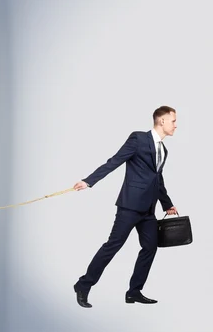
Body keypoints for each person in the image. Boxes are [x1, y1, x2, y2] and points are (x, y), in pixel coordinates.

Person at [72, 105, 179, 308]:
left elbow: (158, 179)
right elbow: (115, 160)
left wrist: (167, 204)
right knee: (113, 246)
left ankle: (134, 291)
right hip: (130, 206)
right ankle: (83, 285)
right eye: (173, 120)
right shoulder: (138, 139)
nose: (176, 125)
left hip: (149, 209)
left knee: (150, 247)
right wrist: (89, 181)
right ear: (162, 121)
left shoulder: (163, 150)